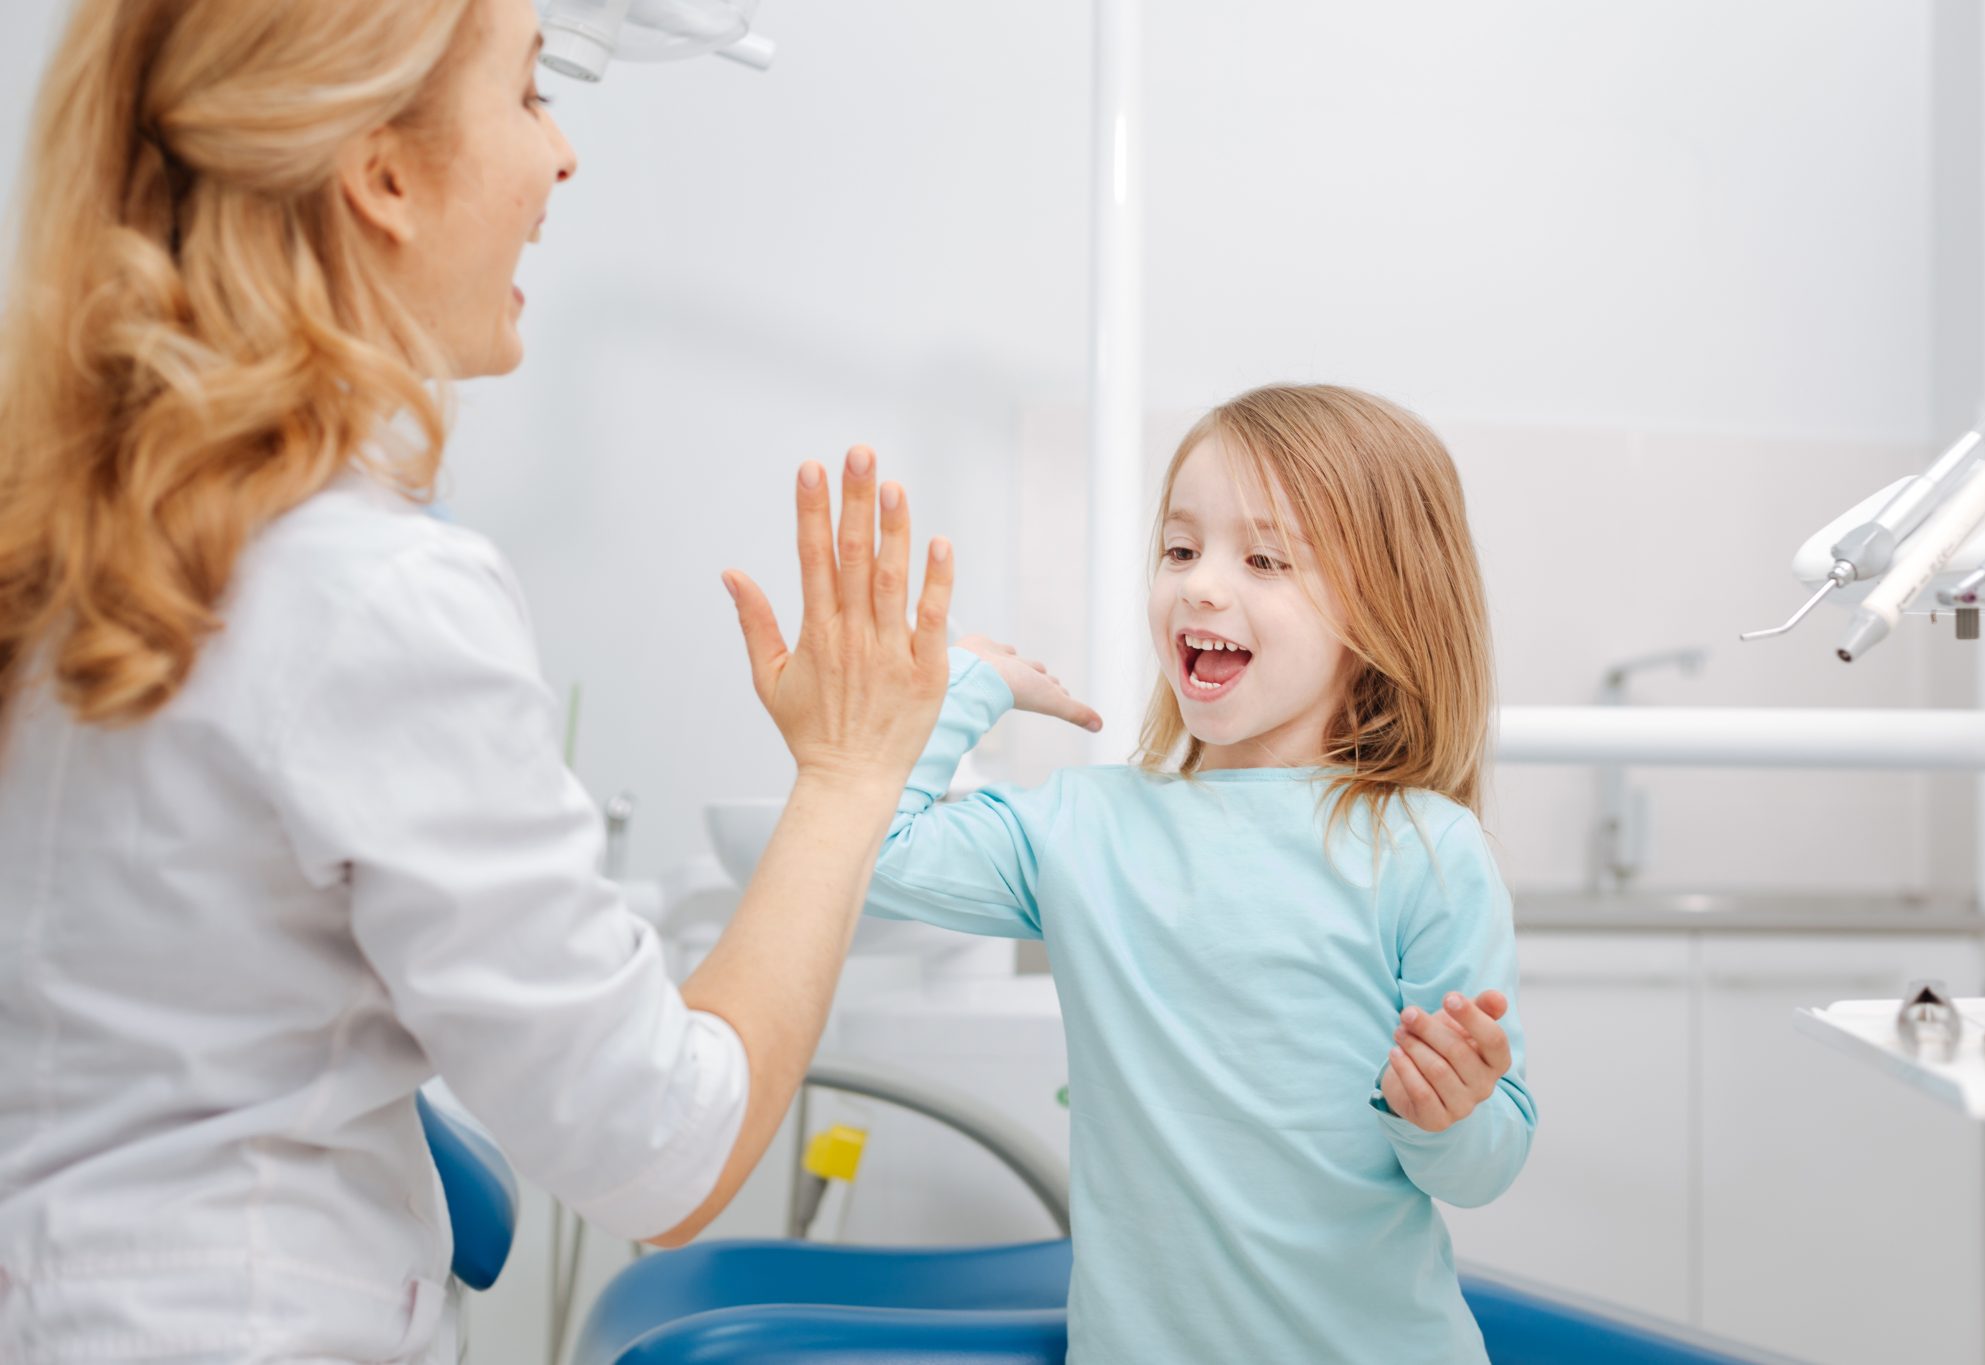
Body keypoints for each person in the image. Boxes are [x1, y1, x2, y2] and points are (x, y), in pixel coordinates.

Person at [0, 0, 950, 1358]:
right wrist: (849, 780)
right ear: (382, 171)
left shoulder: (62, 549)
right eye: (528, 93)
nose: (562, 156)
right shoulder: (368, 594)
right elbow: (661, 1144)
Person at [865, 384, 1537, 1363]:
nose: (1200, 587)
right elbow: (872, 852)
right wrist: (968, 685)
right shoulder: (1084, 828)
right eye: (1180, 550)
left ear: (1383, 608)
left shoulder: (1425, 852)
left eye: (1263, 559)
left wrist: (1445, 1115)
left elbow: (1485, 1167)